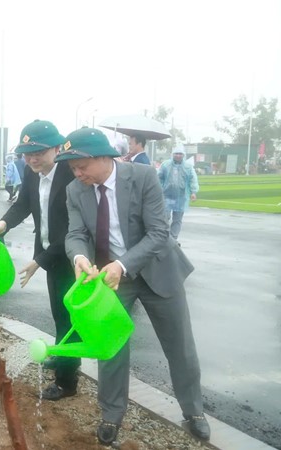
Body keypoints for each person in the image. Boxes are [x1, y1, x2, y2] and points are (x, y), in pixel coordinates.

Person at [56, 127, 209, 445]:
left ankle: (194, 411)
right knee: (110, 347)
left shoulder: (142, 177)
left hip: (156, 269)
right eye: (72, 168)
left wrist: (123, 264)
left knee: (179, 345)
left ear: (102, 158)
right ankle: (111, 413)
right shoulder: (75, 191)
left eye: (81, 166)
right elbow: (75, 234)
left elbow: (158, 233)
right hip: (111, 279)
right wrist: (79, 258)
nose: (77, 173)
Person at [0, 120, 79, 401]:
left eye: (38, 152)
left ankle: (66, 382)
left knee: (69, 316)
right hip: (50, 253)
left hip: (73, 256)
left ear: (56, 148)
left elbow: (71, 230)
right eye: (27, 153)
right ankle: (63, 357)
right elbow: (23, 205)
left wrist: (38, 260)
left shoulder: (71, 175)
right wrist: (2, 224)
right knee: (59, 313)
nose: (32, 159)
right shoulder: (31, 173)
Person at [158, 145, 199, 240]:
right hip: (167, 195)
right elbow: (158, 177)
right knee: (165, 217)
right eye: (176, 153)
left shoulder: (188, 167)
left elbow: (193, 179)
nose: (178, 156)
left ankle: (173, 238)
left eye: (180, 154)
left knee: (177, 219)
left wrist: (193, 192)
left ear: (183, 155)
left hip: (181, 196)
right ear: (172, 154)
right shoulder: (165, 165)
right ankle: (164, 237)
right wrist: (158, 189)